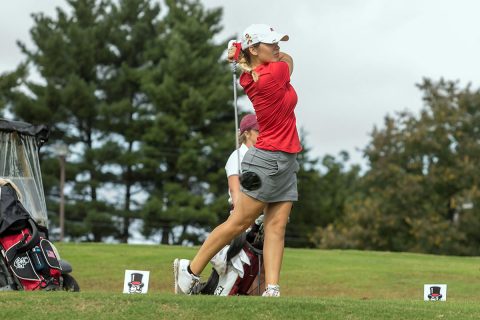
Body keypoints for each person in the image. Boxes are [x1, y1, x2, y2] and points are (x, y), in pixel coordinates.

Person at [174, 23, 301, 297]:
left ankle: (272, 289)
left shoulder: (253, 74)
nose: (278, 47)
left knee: (276, 227)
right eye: (272, 43)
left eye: (278, 42)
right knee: (239, 222)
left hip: (287, 160)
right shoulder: (271, 75)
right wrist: (250, 55)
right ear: (254, 49)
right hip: (267, 161)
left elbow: (275, 59)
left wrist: (242, 54)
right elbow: (290, 61)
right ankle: (190, 270)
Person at [225, 113, 259, 208]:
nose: (262, 134)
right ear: (247, 134)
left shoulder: (262, 157)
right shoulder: (237, 156)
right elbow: (234, 190)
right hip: (243, 212)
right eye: (258, 131)